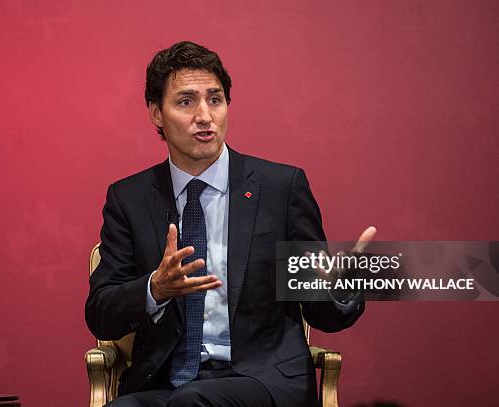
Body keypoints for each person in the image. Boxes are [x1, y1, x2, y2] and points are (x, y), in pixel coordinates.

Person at [85, 40, 374, 407]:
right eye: (186, 101)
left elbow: (325, 315)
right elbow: (100, 315)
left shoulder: (279, 188)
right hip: (165, 382)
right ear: (156, 112)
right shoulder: (129, 198)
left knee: (193, 401)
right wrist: (155, 288)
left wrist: (341, 282)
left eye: (215, 99)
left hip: (263, 379)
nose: (205, 116)